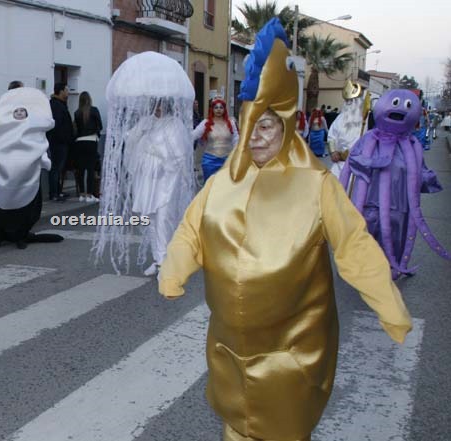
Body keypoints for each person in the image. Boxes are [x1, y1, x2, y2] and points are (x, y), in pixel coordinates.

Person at [158, 19, 412, 441]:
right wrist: (174, 271)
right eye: (250, 124)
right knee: (236, 423)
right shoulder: (222, 182)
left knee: (283, 428)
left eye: (267, 126)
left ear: (287, 126)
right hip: (230, 347)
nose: (256, 138)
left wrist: (389, 305)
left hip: (291, 350)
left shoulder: (316, 184)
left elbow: (354, 245)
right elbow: (191, 229)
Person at [92, 51, 195, 277]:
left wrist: (157, 154)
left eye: (159, 105)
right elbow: (131, 140)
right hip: (147, 180)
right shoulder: (147, 122)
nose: (156, 108)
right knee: (148, 219)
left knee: (163, 219)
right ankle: (159, 258)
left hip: (165, 181)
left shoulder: (175, 125)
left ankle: (166, 261)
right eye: (154, 104)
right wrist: (137, 135)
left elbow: (179, 154)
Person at [339, 89, 448, 279]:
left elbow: (419, 172)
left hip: (399, 205)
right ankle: (362, 265)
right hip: (370, 202)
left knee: (395, 235)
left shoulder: (413, 145)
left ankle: (391, 265)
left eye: (407, 106)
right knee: (368, 231)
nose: (400, 110)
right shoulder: (369, 139)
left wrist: (429, 178)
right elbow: (355, 160)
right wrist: (376, 161)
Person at [0, 87, 63, 249]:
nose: (20, 113)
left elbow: (40, 151)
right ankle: (3, 233)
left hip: (27, 182)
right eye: (17, 110)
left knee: (25, 209)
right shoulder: (2, 134)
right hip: (4, 181)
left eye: (23, 111)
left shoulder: (34, 134)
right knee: (4, 208)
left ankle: (20, 234)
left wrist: (45, 162)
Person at [327, 80, 370, 178]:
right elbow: (331, 137)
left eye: (352, 101)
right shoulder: (340, 118)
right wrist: (333, 152)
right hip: (339, 166)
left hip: (357, 168)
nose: (349, 104)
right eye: (347, 101)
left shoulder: (365, 120)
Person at [192, 98, 239, 181]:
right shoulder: (206, 123)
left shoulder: (231, 123)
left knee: (225, 187)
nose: (218, 110)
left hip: (227, 161)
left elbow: (236, 139)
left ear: (224, 109)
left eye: (221, 107)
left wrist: (236, 155)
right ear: (212, 109)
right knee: (210, 187)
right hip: (210, 162)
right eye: (216, 107)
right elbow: (193, 135)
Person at [46, 82, 74, 202]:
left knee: (58, 168)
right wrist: (64, 137)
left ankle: (58, 191)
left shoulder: (59, 104)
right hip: (58, 142)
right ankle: (54, 193)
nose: (68, 93)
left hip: (60, 142)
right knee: (55, 168)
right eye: (66, 90)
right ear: (61, 91)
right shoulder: (56, 105)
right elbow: (57, 125)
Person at [73, 91, 102, 202]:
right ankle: (90, 194)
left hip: (79, 142)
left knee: (80, 169)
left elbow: (76, 128)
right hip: (91, 141)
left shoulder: (76, 112)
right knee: (90, 169)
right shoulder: (94, 110)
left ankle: (81, 194)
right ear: (89, 99)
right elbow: (100, 125)